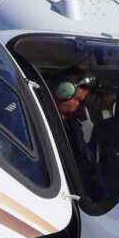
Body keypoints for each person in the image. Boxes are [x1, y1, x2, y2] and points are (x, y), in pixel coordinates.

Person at [51, 69, 105, 200]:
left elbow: (84, 160)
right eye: (78, 100)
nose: (79, 106)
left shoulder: (74, 124)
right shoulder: (35, 118)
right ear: (63, 91)